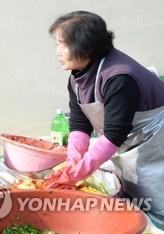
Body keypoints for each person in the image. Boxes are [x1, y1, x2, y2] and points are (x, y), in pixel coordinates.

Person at [46, 11, 164, 228]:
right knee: (134, 201)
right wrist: (73, 160)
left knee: (157, 206)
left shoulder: (120, 78)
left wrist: (80, 172)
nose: (58, 52)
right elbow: (80, 123)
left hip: (155, 146)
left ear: (87, 47)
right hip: (128, 146)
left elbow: (113, 134)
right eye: (57, 45)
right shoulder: (78, 76)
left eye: (63, 45)